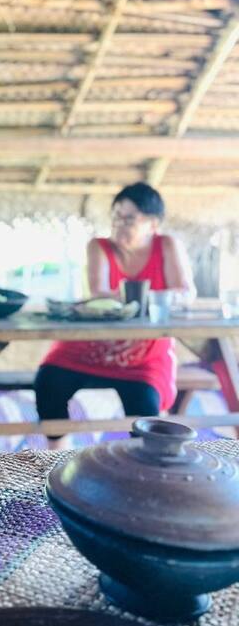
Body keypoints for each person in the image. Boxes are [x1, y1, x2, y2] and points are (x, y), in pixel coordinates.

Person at [34, 182, 195, 448]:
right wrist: (154, 297)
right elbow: (99, 293)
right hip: (88, 347)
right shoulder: (98, 246)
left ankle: (148, 463)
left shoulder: (167, 245)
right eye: (116, 217)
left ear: (153, 224)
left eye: (129, 219)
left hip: (144, 355)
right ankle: (57, 457)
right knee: (48, 382)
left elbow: (185, 292)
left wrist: (128, 298)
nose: (119, 224)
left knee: (147, 409)